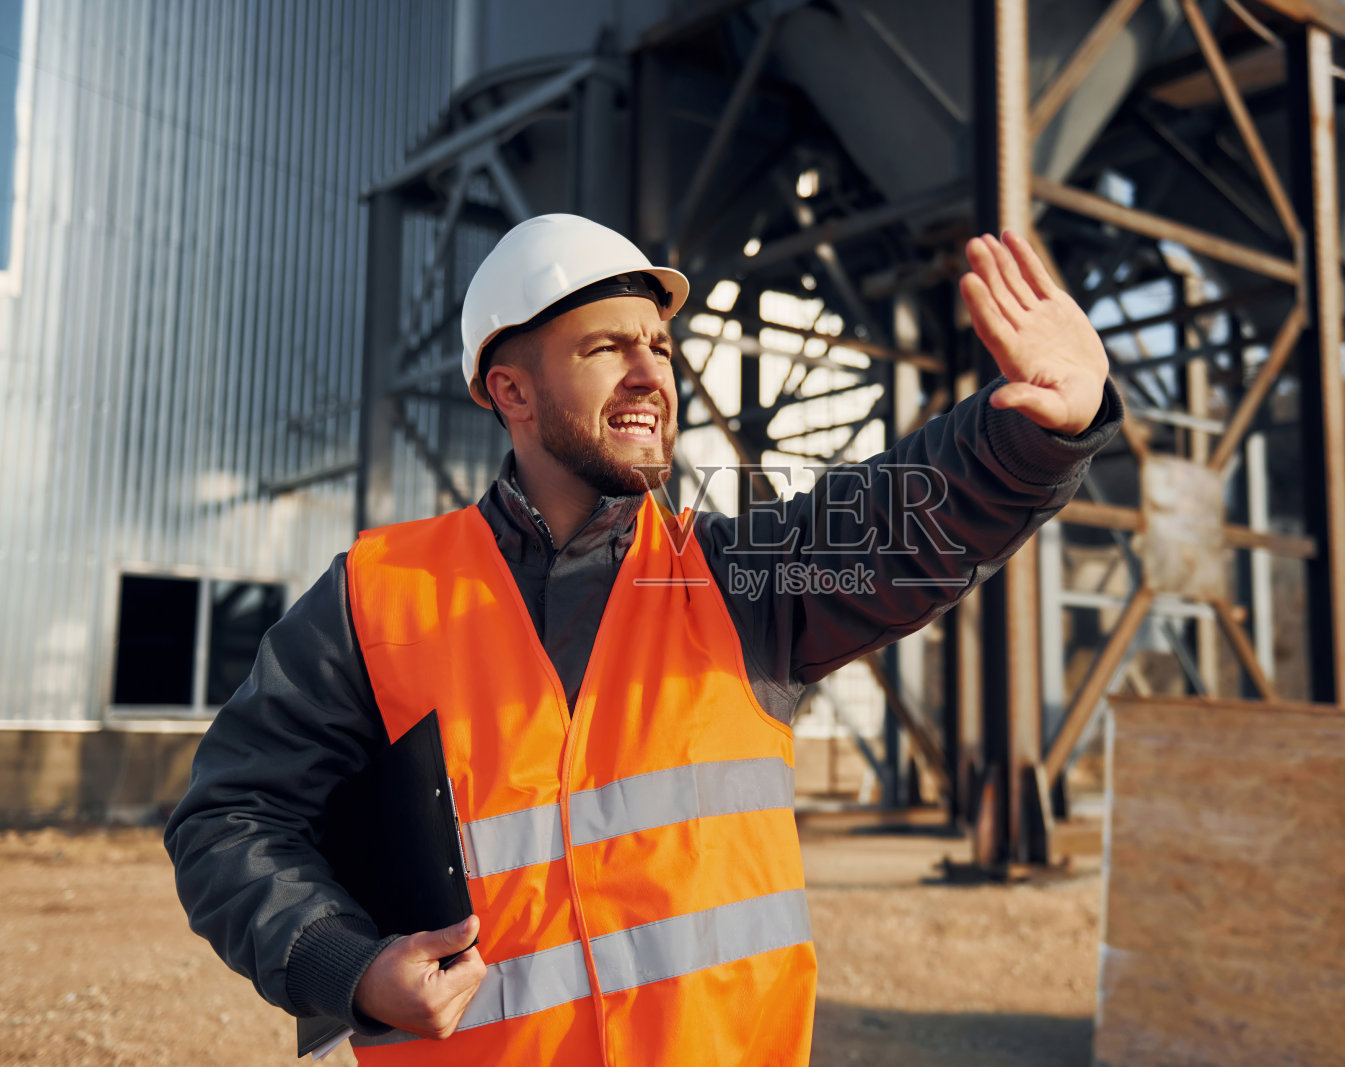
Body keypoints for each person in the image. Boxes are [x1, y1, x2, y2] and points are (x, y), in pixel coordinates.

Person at [165, 213, 1121, 1065]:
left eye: (659, 346)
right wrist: (350, 967)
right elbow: (231, 816)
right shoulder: (378, 597)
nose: (651, 374)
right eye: (607, 347)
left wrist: (1039, 432)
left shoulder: (739, 581)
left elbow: (893, 522)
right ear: (512, 391)